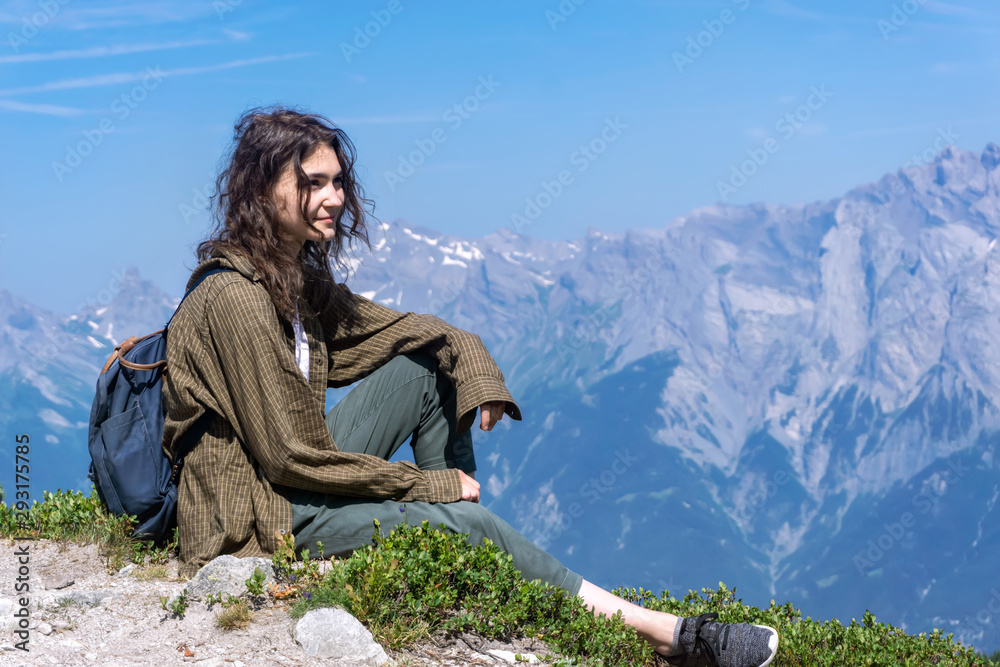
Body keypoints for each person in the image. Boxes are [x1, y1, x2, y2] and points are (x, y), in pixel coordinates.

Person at [161, 105, 779, 667]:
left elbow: (410, 333)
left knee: (428, 366)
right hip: (256, 519)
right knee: (464, 519)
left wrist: (475, 369)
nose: (334, 198)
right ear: (263, 190)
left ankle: (460, 544)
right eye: (312, 182)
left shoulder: (291, 280)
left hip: (290, 484)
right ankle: (666, 634)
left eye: (338, 181)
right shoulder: (235, 297)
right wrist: (426, 485)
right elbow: (288, 457)